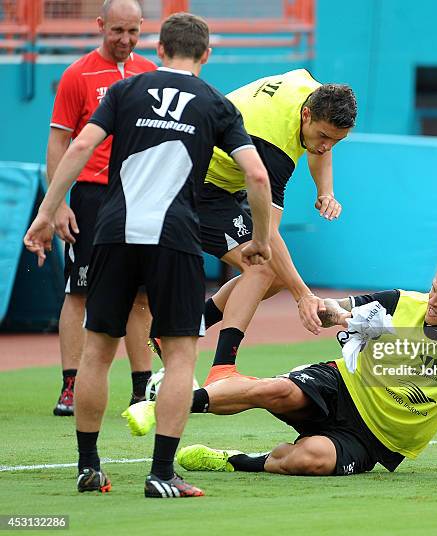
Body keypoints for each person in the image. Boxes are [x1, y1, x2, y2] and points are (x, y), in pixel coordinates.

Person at [24, 12, 272, 498]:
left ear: (158, 49)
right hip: (175, 237)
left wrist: (47, 212)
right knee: (180, 358)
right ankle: (161, 474)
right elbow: (258, 177)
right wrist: (260, 239)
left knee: (97, 352)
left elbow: (78, 149)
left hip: (114, 232)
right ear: (205, 55)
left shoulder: (124, 91)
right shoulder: (217, 104)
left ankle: (88, 467)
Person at [124, 258, 437, 478]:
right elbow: (336, 308)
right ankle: (166, 402)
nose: (433, 301)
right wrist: (328, 311)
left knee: (310, 460)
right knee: (276, 390)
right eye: (434, 289)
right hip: (343, 385)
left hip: (378, 439)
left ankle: (234, 460)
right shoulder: (402, 302)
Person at [153, 70, 357, 386]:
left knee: (272, 277)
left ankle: (186, 328)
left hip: (223, 180)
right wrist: (303, 295)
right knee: (262, 267)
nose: (326, 146)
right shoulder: (273, 146)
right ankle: (223, 369)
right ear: (306, 114)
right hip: (193, 183)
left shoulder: (313, 92)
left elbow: (319, 149)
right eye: (323, 136)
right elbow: (269, 238)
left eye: (336, 140)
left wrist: (325, 191)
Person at [48, 0, 156, 416]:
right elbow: (60, 142)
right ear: (100, 25)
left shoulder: (151, 74)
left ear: (142, 28)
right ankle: (70, 386)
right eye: (117, 31)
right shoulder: (77, 75)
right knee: (80, 291)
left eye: (133, 31)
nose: (125, 40)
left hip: (142, 195)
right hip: (92, 198)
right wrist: (56, 203)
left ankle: (141, 389)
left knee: (141, 296)